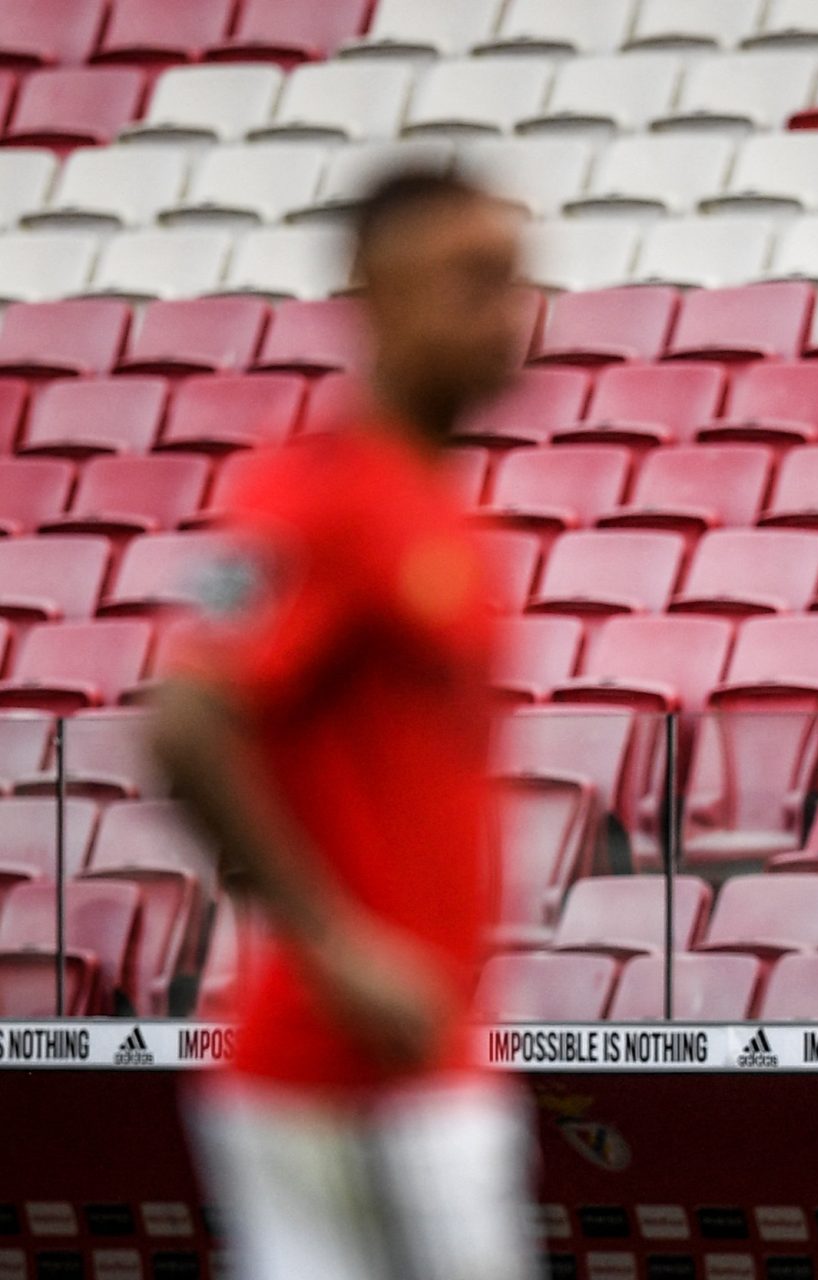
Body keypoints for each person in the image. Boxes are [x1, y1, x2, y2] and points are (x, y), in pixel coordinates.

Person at [152, 169, 535, 1280]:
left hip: (425, 1054)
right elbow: (183, 722)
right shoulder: (313, 497)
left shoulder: (445, 507)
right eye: (469, 281)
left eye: (512, 279)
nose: (507, 312)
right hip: (342, 1070)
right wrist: (337, 947)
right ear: (371, 295)